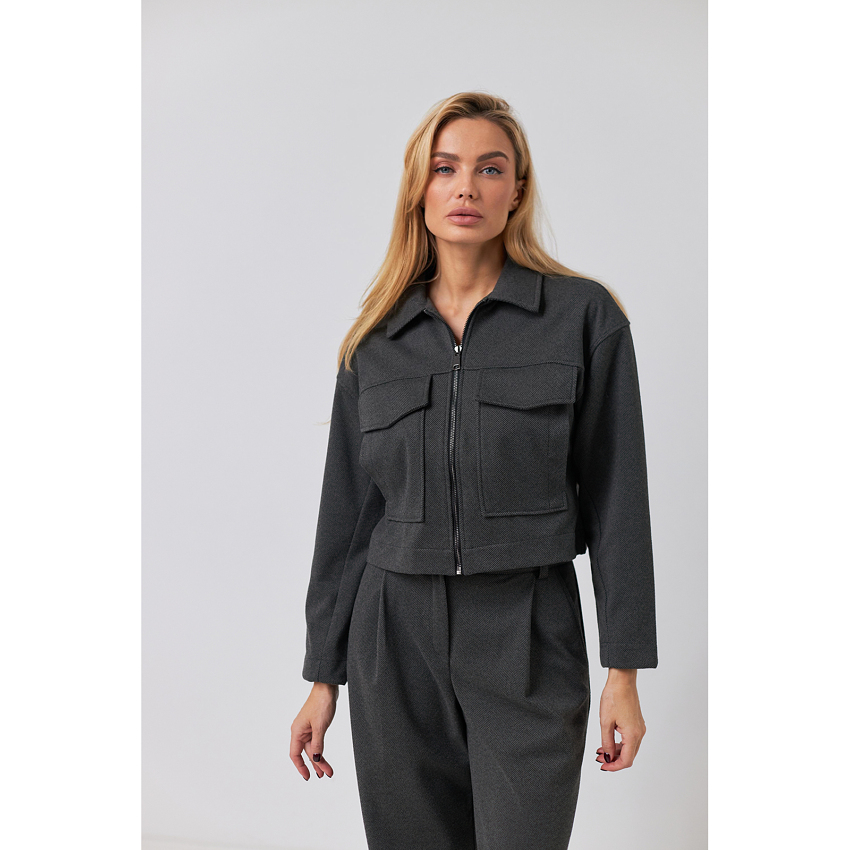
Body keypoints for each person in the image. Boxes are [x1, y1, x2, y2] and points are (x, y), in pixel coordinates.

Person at [289, 91, 658, 850]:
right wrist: (323, 677)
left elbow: (619, 500)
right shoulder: (375, 342)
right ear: (418, 189)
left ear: (516, 190)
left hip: (527, 630)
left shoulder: (583, 318)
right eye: (445, 168)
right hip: (395, 640)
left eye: (490, 169)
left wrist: (623, 670)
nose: (466, 187)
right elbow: (348, 517)